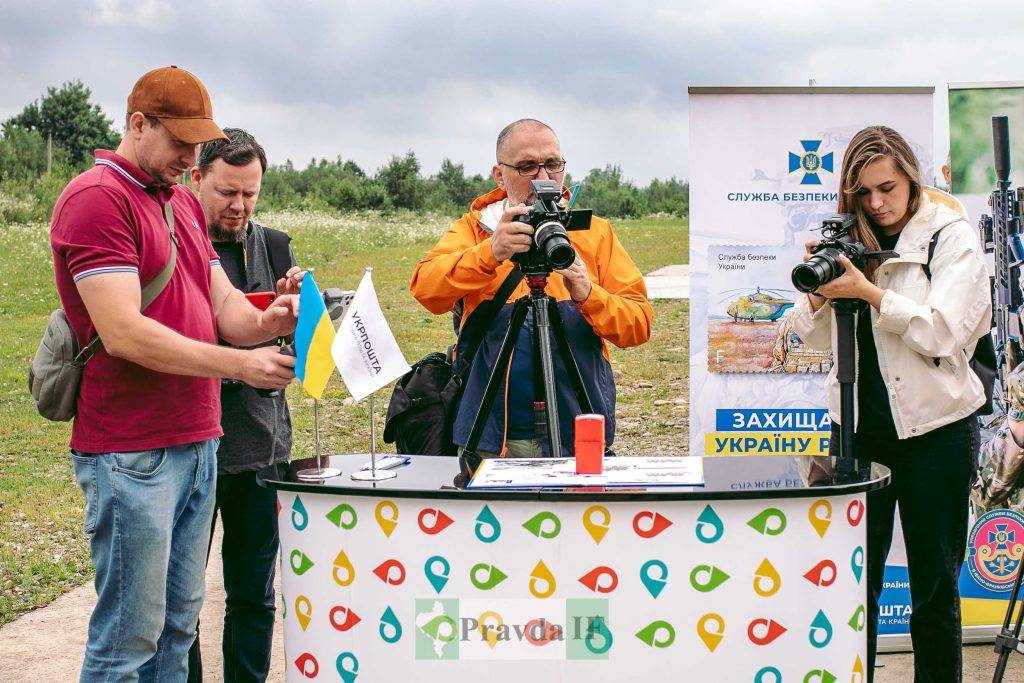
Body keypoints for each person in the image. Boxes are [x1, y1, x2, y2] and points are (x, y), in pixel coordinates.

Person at [50, 67, 298, 682]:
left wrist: (275, 318)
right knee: (128, 639)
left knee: (176, 628)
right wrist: (242, 365)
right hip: (134, 450)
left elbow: (226, 310)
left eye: (197, 144)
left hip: (199, 438)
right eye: (181, 143)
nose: (191, 158)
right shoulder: (95, 199)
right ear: (138, 124)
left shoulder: (182, 201)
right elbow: (124, 332)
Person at [791, 125, 991, 682]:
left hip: (938, 432)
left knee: (933, 588)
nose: (877, 204)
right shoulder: (848, 237)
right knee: (854, 586)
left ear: (911, 177)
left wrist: (871, 293)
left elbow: (945, 334)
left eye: (888, 188)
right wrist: (820, 290)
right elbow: (803, 338)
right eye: (864, 193)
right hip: (856, 430)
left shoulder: (950, 237)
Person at [410, 119, 653, 458]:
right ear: (499, 174)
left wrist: (587, 293)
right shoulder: (477, 230)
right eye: (526, 166)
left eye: (552, 164)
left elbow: (638, 325)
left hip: (578, 432)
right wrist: (490, 253)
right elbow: (425, 289)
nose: (543, 177)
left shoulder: (593, 232)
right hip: (494, 438)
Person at [185, 128, 302, 682]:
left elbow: (292, 352)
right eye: (227, 192)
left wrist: (296, 321)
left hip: (260, 445)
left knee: (253, 594)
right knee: (179, 599)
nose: (238, 206)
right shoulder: (178, 247)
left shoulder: (276, 246)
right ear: (196, 179)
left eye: (249, 194)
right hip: (189, 443)